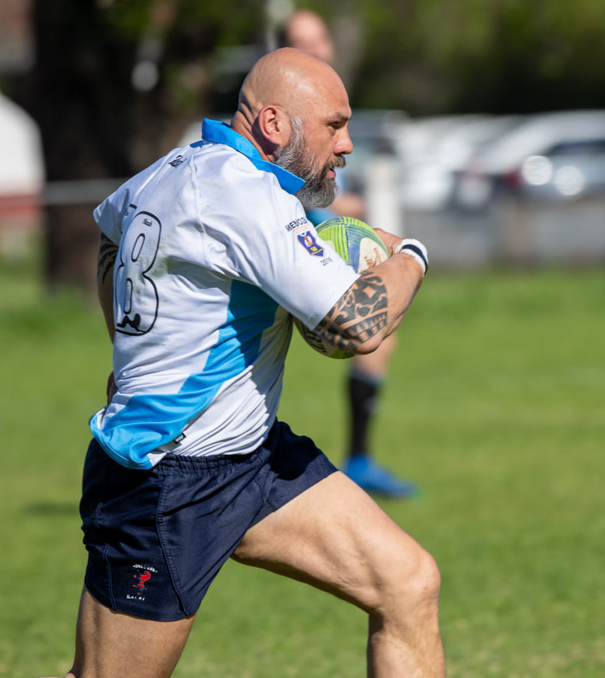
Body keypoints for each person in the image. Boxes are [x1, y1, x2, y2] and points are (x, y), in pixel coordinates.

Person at [63, 48, 442, 677]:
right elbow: (354, 326)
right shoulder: (243, 195)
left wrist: (125, 341)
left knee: (407, 582)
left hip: (254, 458)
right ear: (273, 123)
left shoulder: (174, 168)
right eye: (333, 124)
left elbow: (111, 231)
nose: (346, 144)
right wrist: (411, 256)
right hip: (165, 480)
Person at [281, 9, 416, 498]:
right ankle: (357, 458)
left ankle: (360, 456)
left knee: (381, 341)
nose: (317, 49)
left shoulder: (329, 93)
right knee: (366, 327)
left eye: (321, 39)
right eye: (303, 42)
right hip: (311, 233)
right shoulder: (287, 102)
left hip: (339, 226)